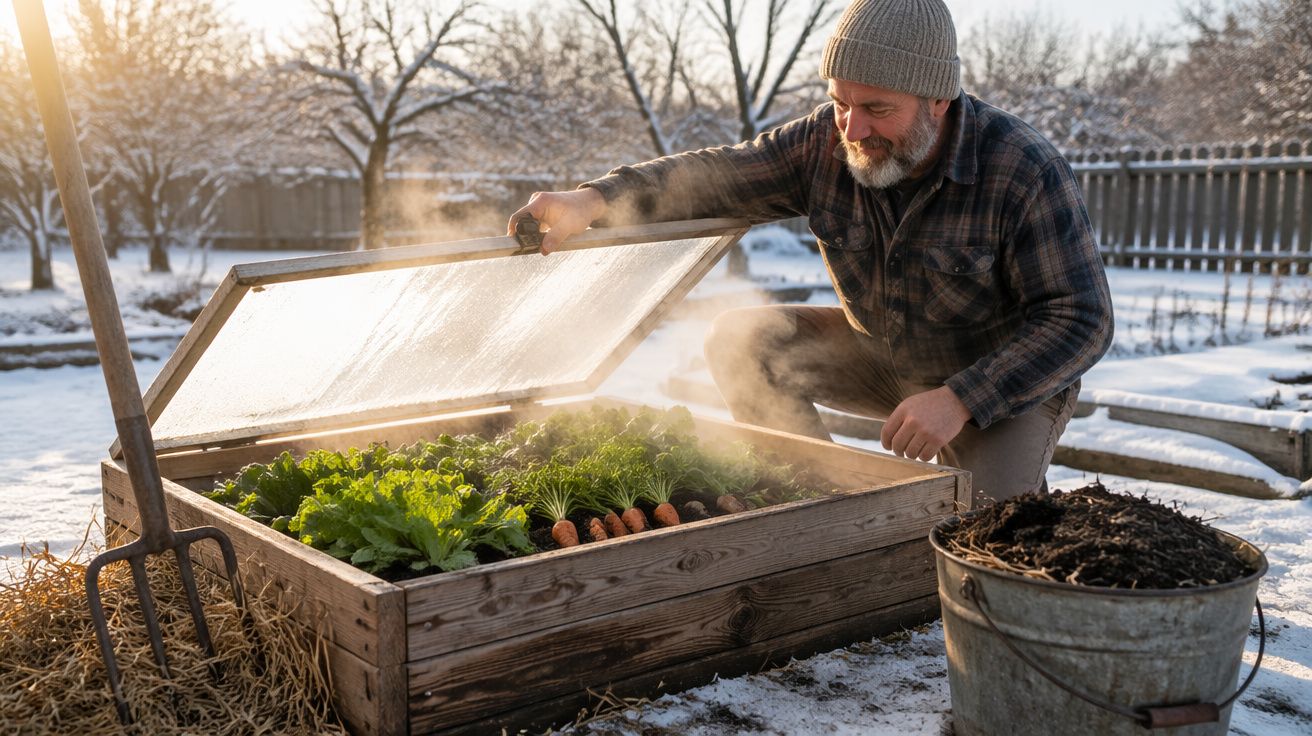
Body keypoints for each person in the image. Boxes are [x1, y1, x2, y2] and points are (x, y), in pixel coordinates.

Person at [507, 0, 1113, 501]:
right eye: (841, 102)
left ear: (938, 99)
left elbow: (1082, 319)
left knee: (989, 524)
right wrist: (594, 199)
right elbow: (714, 176)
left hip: (1001, 383)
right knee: (742, 339)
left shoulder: (1021, 168)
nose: (852, 129)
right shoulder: (821, 143)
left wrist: (962, 399)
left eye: (877, 108)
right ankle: (816, 496)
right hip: (881, 357)